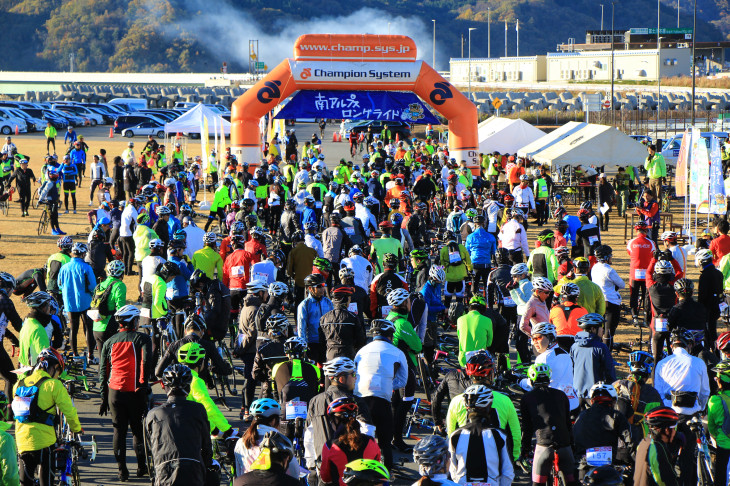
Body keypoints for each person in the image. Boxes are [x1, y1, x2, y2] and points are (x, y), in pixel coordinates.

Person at [98, 304, 152, 480]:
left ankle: (122, 471)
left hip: (114, 392)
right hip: (136, 391)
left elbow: (103, 372)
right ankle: (141, 467)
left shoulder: (109, 342)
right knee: (138, 431)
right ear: (133, 321)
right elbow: (146, 364)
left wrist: (103, 397)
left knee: (119, 432)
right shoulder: (143, 339)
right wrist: (144, 386)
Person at [14, 348, 82, 486]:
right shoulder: (53, 385)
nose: (57, 375)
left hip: (22, 441)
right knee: (47, 481)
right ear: (54, 367)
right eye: (58, 372)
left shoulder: (19, 384)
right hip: (44, 442)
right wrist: (77, 428)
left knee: (25, 481)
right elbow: (69, 411)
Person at [303, 357, 374, 481]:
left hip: (323, 468)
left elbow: (309, 436)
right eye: (353, 374)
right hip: (352, 468)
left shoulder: (315, 401)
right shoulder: (356, 402)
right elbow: (368, 432)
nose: (355, 377)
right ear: (341, 378)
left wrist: (311, 466)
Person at [443, 351, 521, 460]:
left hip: (465, 458)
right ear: (490, 374)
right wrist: (514, 457)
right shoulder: (504, 400)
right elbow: (515, 434)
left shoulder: (456, 401)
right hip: (496, 457)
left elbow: (451, 434)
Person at [145, 364, 213, 486]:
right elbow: (207, 446)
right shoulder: (198, 409)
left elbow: (151, 448)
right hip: (193, 471)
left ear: (164, 386)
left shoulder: (153, 414)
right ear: (188, 387)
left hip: (164, 472)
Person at [354, 319, 407, 471]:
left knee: (360, 440)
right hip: (382, 400)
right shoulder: (398, 352)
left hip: (361, 398)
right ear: (390, 336)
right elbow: (402, 381)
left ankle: (359, 471)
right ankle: (387, 471)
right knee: (385, 442)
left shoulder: (361, 351)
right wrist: (388, 385)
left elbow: (354, 374)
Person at [520, 363, 577, 486]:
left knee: (537, 483)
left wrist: (524, 450)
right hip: (564, 445)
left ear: (531, 379)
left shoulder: (527, 398)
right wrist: (572, 445)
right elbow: (567, 423)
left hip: (543, 446)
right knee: (573, 481)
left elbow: (527, 428)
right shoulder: (562, 395)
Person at [448, 385, 515, 486]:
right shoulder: (499, 435)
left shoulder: (455, 436)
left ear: (467, 407)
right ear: (488, 407)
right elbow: (508, 472)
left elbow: (451, 469)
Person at [573, 383, 633, 480]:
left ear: (592, 400)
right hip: (608, 469)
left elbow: (574, 439)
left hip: (583, 467)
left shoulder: (581, 416)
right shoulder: (616, 416)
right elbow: (629, 441)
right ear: (613, 401)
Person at [320, 397, 382, 486]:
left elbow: (325, 478)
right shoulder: (372, 442)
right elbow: (377, 469)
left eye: (331, 420)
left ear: (336, 420)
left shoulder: (330, 446)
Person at [177, 342, 234, 437]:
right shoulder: (195, 381)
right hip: (192, 431)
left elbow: (195, 412)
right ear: (200, 362)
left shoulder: (178, 377)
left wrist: (214, 429)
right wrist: (228, 430)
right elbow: (208, 407)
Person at [234, 401, 300, 482]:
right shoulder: (280, 441)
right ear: (273, 421)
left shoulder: (241, 441)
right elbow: (294, 472)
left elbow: (239, 471)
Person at [57, 242, 97, 360]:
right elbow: (93, 287)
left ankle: (75, 355)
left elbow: (59, 284)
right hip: (85, 302)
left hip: (70, 303)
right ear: (83, 253)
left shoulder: (64, 267)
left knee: (73, 329)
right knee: (88, 328)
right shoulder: (86, 267)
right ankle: (90, 355)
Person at [613, 351, 662, 440]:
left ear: (630, 370)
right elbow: (659, 419)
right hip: (640, 439)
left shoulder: (616, 385)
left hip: (615, 437)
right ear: (648, 372)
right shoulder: (653, 393)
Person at [570, 314, 616, 404]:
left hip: (576, 395)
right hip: (595, 396)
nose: (603, 330)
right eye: (601, 327)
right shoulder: (601, 347)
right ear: (593, 329)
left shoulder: (574, 346)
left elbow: (571, 369)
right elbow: (609, 372)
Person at [633, 407, 682, 486]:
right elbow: (666, 480)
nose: (674, 432)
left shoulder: (643, 442)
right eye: (673, 428)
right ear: (666, 430)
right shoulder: (657, 448)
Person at [319, 286, 367, 361]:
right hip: (348, 355)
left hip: (330, 356)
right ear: (345, 299)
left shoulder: (324, 318)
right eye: (349, 298)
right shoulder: (353, 317)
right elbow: (361, 340)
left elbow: (321, 341)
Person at [591, 245, 624, 348]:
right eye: (610, 256)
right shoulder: (609, 270)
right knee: (609, 332)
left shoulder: (594, 267)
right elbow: (622, 284)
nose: (611, 257)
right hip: (611, 301)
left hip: (598, 300)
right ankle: (607, 353)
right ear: (605, 257)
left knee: (599, 329)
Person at [91, 260, 127, 355]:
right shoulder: (119, 285)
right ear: (122, 273)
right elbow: (121, 308)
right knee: (113, 360)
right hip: (109, 326)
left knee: (102, 362)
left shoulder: (100, 284)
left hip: (96, 326)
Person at [297, 273, 334, 365]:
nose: (323, 289)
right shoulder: (304, 305)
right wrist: (303, 347)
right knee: (313, 372)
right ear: (310, 289)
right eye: (319, 286)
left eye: (323, 285)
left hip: (327, 342)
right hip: (312, 344)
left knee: (326, 371)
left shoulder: (328, 302)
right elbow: (302, 328)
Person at [17, 292, 54, 370]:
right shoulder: (38, 329)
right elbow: (46, 360)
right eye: (48, 304)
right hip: (35, 375)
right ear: (44, 308)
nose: (50, 307)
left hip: (24, 370)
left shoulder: (27, 323)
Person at [708, 360, 730, 486]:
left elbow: (712, 426)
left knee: (721, 479)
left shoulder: (715, 400)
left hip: (724, 446)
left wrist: (716, 436)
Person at [696, 248, 724, 349]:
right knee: (712, 330)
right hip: (717, 306)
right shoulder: (718, 273)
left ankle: (713, 353)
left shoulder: (704, 275)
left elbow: (702, 295)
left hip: (707, 308)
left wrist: (699, 308)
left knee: (709, 333)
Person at [627, 222, 656, 318]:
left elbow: (630, 253)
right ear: (646, 231)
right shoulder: (651, 243)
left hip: (634, 273)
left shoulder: (631, 242)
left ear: (636, 231)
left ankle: (634, 314)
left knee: (633, 295)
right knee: (646, 295)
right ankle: (646, 314)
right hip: (647, 273)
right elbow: (653, 255)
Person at [0, 272, 21, 397]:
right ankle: (9, 413)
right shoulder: (5, 300)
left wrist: (12, 338)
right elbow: (19, 325)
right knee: (11, 378)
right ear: (8, 287)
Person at [456, 295, 493, 367]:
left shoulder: (460, 319)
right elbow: (489, 343)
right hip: (480, 359)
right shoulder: (488, 320)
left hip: (463, 359)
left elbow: (459, 337)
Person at [549, 283, 587, 351]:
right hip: (576, 342)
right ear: (576, 298)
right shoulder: (583, 310)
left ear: (562, 297)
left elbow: (550, 325)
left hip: (558, 342)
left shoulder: (554, 309)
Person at [465, 215, 497, 295]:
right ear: (484, 223)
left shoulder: (470, 237)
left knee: (474, 282)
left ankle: (473, 298)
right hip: (486, 264)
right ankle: (489, 302)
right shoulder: (490, 236)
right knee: (487, 283)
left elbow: (467, 251)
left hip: (474, 263)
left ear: (475, 224)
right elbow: (494, 251)